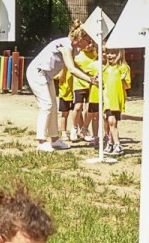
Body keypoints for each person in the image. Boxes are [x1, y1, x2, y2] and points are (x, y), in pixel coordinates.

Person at [26, 22, 96, 152]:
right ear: (80, 39)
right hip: (37, 73)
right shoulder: (65, 45)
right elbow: (72, 69)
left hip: (47, 76)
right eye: (88, 40)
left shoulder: (73, 48)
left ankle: (54, 139)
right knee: (46, 105)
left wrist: (88, 75)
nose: (89, 42)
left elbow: (75, 65)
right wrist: (90, 79)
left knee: (52, 106)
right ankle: (41, 141)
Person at [101, 49, 131, 156]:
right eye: (108, 53)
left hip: (116, 99)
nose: (109, 55)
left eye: (113, 53)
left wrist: (123, 79)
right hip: (107, 99)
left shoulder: (123, 68)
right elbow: (103, 84)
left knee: (112, 122)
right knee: (110, 121)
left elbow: (127, 85)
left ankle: (116, 144)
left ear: (119, 54)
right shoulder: (106, 68)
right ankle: (111, 143)